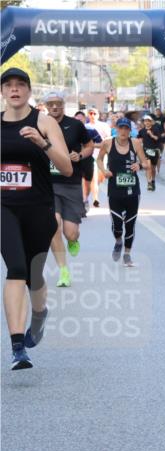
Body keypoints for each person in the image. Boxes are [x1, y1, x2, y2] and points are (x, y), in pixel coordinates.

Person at [1, 67, 72, 370]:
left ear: (29, 91)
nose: (14, 90)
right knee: (16, 267)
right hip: (4, 207)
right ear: (3, 92)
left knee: (34, 274)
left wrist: (42, 143)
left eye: (20, 85)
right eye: (8, 85)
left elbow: (67, 167)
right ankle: (18, 347)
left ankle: (39, 314)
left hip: (38, 208)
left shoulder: (43, 122)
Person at [42, 91, 93, 289]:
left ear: (63, 105)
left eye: (58, 104)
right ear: (46, 106)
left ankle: (72, 240)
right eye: (51, 104)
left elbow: (89, 146)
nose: (55, 107)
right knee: (53, 225)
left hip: (71, 183)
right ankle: (63, 270)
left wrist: (80, 155)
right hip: (48, 184)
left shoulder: (76, 125)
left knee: (71, 233)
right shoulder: (40, 124)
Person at [98, 117, 149, 267]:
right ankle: (118, 241)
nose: (123, 131)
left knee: (130, 224)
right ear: (116, 129)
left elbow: (146, 163)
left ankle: (127, 254)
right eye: (121, 128)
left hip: (133, 190)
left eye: (126, 128)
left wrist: (139, 165)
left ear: (130, 130)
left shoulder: (136, 143)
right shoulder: (108, 143)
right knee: (117, 224)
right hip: (114, 190)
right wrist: (104, 170)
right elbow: (99, 159)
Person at [75, 111, 102, 216]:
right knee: (76, 182)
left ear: (84, 120)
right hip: (74, 160)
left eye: (81, 119)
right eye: (77, 119)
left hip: (87, 159)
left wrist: (90, 146)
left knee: (87, 182)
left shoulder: (90, 130)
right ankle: (79, 203)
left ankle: (85, 200)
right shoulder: (69, 130)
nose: (79, 121)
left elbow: (101, 144)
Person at [137, 114, 163, 191]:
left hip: (154, 150)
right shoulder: (142, 131)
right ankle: (149, 183)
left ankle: (153, 181)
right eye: (145, 121)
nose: (147, 122)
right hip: (146, 150)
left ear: (151, 122)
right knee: (148, 167)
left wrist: (151, 135)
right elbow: (139, 139)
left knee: (153, 169)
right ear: (144, 122)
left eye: (148, 121)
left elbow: (158, 139)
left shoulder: (155, 129)